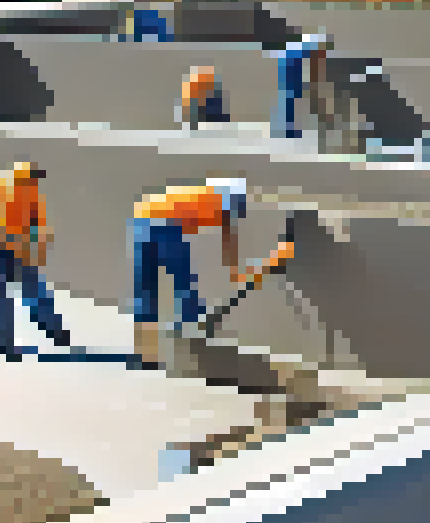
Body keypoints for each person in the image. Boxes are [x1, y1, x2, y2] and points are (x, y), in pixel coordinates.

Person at [131, 180, 247, 370]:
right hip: (166, 227)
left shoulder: (201, 195)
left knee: (147, 292)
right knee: (185, 288)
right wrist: (236, 272)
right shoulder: (221, 202)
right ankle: (193, 351)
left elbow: (227, 243)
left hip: (141, 220)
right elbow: (228, 242)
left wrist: (234, 271)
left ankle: (146, 355)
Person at [0, 161, 71, 359]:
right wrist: (26, 249)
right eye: (32, 179)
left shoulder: (31, 195)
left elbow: (40, 226)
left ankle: (53, 329)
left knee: (28, 288)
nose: (35, 183)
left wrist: (38, 250)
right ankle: (4, 342)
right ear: (22, 179)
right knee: (3, 293)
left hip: (8, 243)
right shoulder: (3, 190)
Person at [273, 33, 332, 141]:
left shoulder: (300, 46)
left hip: (291, 78)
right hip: (291, 79)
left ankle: (288, 131)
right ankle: (289, 132)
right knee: (289, 103)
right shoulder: (305, 46)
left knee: (288, 102)